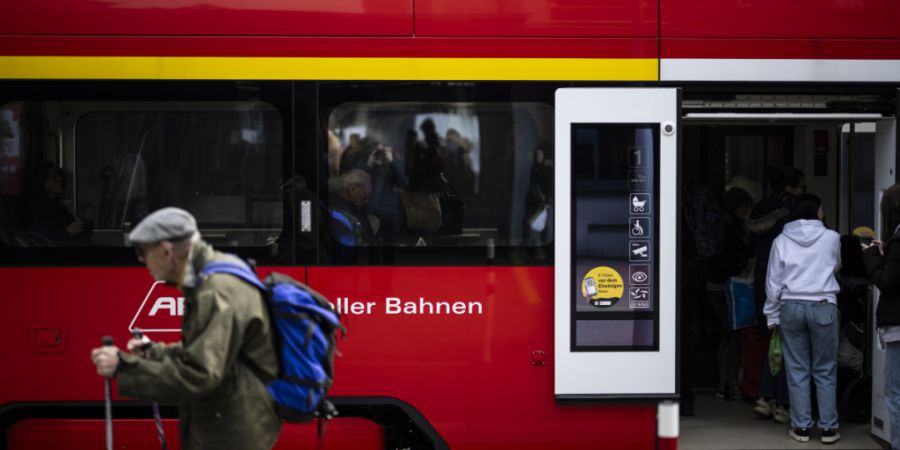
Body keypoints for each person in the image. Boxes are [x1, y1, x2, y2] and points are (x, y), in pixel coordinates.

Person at [89, 207, 281, 450]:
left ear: (166, 250)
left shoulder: (214, 291)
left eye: (143, 251)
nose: (140, 260)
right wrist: (154, 351)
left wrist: (125, 367)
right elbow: (212, 350)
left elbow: (199, 375)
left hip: (228, 433)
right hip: (232, 419)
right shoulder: (217, 271)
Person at [764, 194, 841, 444]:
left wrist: (771, 314)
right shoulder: (832, 237)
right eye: (821, 208)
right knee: (825, 369)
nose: (823, 213)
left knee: (797, 369)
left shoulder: (781, 240)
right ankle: (829, 428)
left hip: (791, 305)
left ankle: (801, 428)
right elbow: (835, 266)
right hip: (823, 305)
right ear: (816, 211)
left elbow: (773, 281)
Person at [744, 167, 803, 420]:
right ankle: (780, 403)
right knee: (788, 346)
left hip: (762, 281)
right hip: (787, 283)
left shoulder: (757, 210)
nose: (803, 191)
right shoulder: (791, 216)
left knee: (773, 342)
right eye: (802, 187)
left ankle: (766, 397)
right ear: (790, 188)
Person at [707, 187, 754, 401]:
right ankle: (726, 383)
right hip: (723, 285)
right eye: (744, 208)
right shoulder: (728, 229)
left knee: (728, 334)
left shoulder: (722, 226)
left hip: (716, 284)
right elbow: (728, 258)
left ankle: (724, 382)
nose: (747, 212)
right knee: (733, 334)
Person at [862, 184, 900, 450]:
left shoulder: (899, 237)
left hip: (898, 325)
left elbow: (888, 282)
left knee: (895, 392)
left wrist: (872, 256)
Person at [24, 162, 92, 244]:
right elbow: (43, 242)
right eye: (54, 177)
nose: (60, 179)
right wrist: (68, 232)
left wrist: (87, 221)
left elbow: (83, 236)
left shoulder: (59, 207)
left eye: (59, 176)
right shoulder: (35, 211)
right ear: (41, 183)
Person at [329, 169, 379, 262]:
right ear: (353, 189)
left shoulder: (356, 206)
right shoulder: (338, 216)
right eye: (367, 195)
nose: (367, 200)